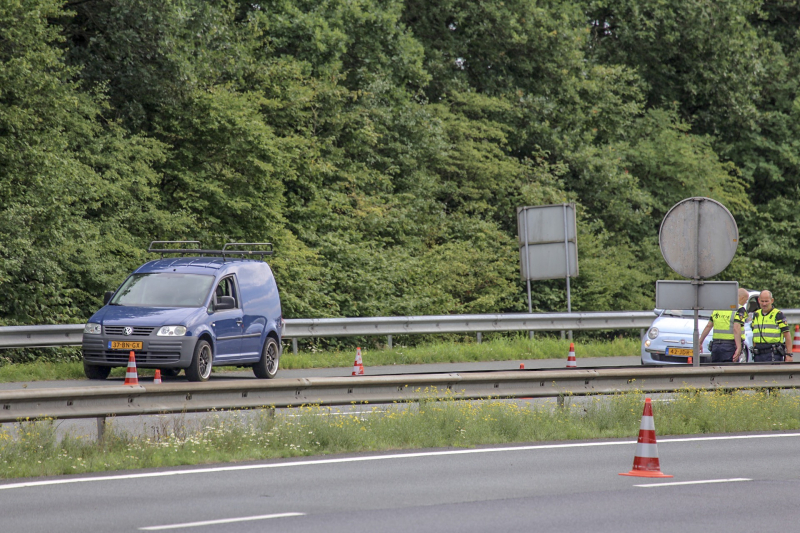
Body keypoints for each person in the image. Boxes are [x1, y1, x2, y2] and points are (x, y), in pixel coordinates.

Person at [699, 288, 748, 363]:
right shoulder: (739, 309)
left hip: (715, 346)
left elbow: (709, 326)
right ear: (742, 298)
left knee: (716, 372)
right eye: (746, 299)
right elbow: (736, 328)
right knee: (729, 372)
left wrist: (700, 342)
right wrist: (738, 347)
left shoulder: (719, 307)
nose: (746, 302)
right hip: (730, 346)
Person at [750, 290, 793, 362]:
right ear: (759, 300)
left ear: (772, 300)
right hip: (758, 354)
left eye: (766, 301)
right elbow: (754, 334)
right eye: (762, 301)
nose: (764, 304)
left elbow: (787, 335)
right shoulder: (756, 314)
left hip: (773, 354)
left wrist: (789, 354)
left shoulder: (778, 314)